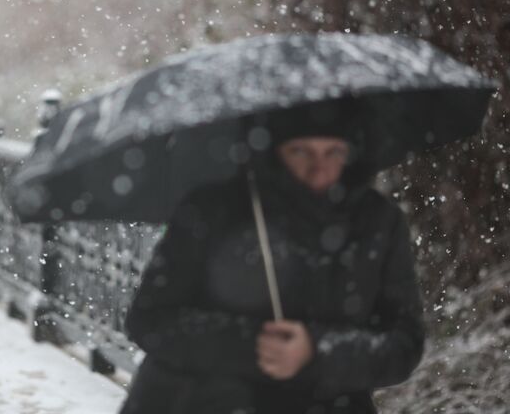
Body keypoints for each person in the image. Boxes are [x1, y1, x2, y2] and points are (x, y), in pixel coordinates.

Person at [119, 120, 425, 413]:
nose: (319, 170)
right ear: (274, 149)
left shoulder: (379, 223)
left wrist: (317, 351)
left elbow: (403, 344)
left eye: (334, 152)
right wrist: (251, 345)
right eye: (301, 151)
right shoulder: (213, 210)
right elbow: (149, 320)